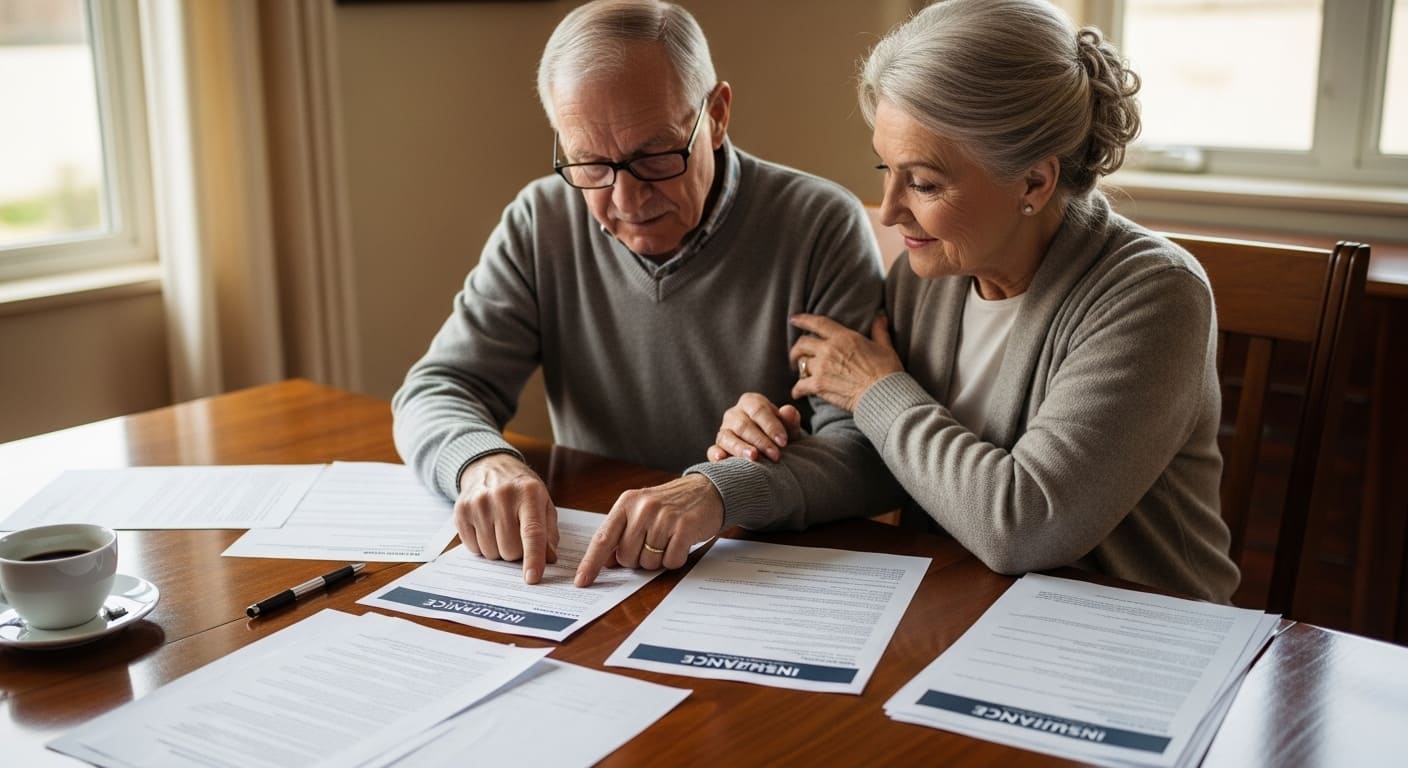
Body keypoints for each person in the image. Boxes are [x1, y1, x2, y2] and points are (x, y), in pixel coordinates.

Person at [709, 0, 1239, 603]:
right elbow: (895, 461)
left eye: (926, 183)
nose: (889, 210)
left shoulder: (1155, 296)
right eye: (886, 168)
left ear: (1034, 182)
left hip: (1140, 635)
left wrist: (876, 390)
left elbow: (1024, 526)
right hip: (964, 612)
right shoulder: (928, 274)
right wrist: (759, 457)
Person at [392, 0, 885, 587]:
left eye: (654, 156)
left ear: (718, 114)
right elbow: (437, 388)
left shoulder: (818, 225)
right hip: (595, 570)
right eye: (590, 163)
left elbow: (865, 453)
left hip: (764, 570)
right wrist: (479, 462)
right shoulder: (541, 220)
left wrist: (717, 490)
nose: (626, 201)